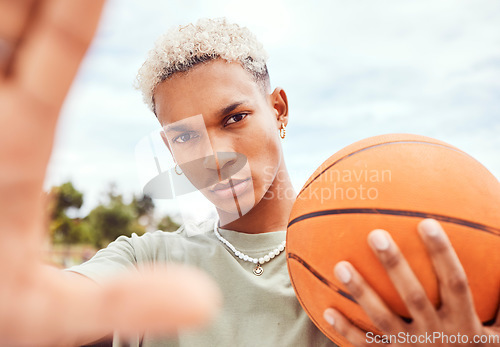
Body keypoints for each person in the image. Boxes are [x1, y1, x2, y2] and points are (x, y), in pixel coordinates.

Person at [0, 2, 498, 347]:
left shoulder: (379, 252)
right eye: (184, 137)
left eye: (234, 117)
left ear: (278, 110)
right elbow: (49, 309)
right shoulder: (147, 258)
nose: (214, 155)